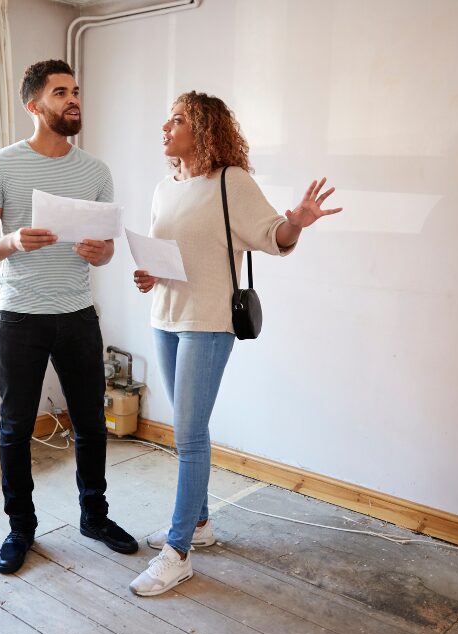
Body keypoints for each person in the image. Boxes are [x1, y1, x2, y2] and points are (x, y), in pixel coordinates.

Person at [128, 91, 342, 596]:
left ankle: (178, 552)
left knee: (189, 434)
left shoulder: (232, 182)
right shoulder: (164, 188)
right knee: (186, 430)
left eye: (178, 120)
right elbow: (173, 256)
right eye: (168, 118)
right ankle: (200, 525)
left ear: (202, 130)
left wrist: (297, 221)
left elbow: (274, 235)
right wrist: (148, 275)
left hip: (208, 322)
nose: (166, 127)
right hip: (164, 317)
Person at [0, 59, 138, 575]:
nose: (73, 100)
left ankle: (95, 516)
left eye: (76, 91)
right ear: (34, 106)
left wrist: (98, 253)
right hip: (21, 317)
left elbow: (107, 250)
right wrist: (13, 240)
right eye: (60, 92)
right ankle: (20, 528)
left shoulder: (95, 171)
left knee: (91, 424)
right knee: (15, 428)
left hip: (78, 314)